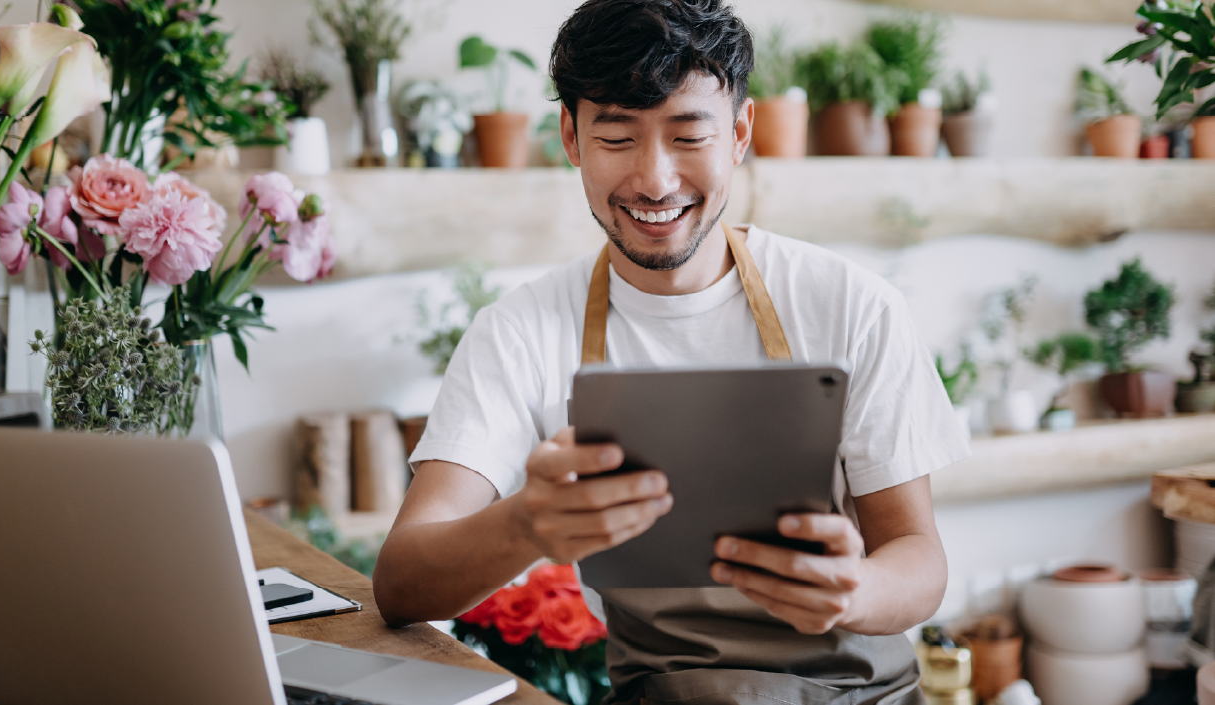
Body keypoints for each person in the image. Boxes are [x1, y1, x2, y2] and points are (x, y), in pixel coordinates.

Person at [372, 1, 970, 702]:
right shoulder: (519, 332)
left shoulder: (850, 304)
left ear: (740, 132)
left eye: (689, 136)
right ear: (570, 135)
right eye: (617, 138)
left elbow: (919, 560)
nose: (654, 180)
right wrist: (524, 522)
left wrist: (854, 588)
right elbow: (400, 581)